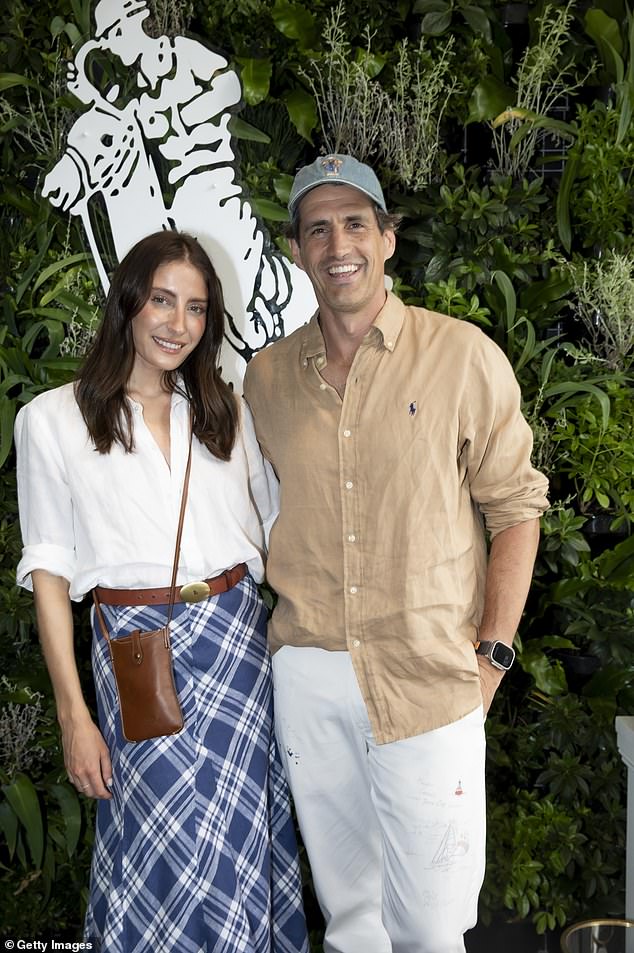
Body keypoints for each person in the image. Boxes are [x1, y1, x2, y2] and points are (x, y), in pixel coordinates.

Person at [243, 154, 550, 953]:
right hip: (310, 675)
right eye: (317, 229)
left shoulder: (461, 356)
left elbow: (517, 510)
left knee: (431, 927)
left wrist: (492, 656)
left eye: (355, 223)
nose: (337, 244)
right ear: (298, 250)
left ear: (387, 239)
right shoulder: (266, 379)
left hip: (428, 677)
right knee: (351, 921)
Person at [14, 231, 309, 953]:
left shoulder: (226, 411)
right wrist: (73, 715)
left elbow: (278, 530)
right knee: (158, 843)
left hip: (237, 652)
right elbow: (49, 574)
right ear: (128, 302)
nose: (180, 324)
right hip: (135, 653)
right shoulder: (52, 419)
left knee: (239, 841)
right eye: (163, 300)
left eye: (197, 308)